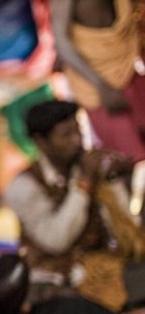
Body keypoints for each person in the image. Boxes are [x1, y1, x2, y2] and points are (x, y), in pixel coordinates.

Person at [0, 99, 138, 314]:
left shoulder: (91, 164)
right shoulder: (23, 187)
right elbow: (56, 239)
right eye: (66, 135)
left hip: (104, 269)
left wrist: (115, 181)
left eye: (79, 132)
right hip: (55, 282)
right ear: (41, 141)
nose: (78, 141)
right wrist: (83, 184)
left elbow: (124, 231)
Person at [50, 0, 145, 217]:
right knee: (128, 168)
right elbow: (62, 43)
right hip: (98, 89)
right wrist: (101, 86)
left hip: (131, 71)